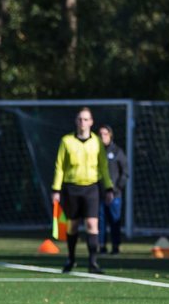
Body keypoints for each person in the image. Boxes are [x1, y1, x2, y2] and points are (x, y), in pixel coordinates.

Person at [51, 107, 114, 274]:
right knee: (72, 226)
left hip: (91, 188)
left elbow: (103, 167)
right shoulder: (66, 141)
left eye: (86, 120)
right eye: (80, 119)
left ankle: (93, 262)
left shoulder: (97, 143)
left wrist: (108, 187)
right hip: (71, 188)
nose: (83, 123)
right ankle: (71, 259)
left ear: (91, 122)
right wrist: (56, 189)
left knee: (92, 224)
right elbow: (60, 167)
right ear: (76, 121)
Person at [97, 124, 128, 254]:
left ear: (110, 135)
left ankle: (115, 246)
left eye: (105, 134)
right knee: (100, 222)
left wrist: (117, 189)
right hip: (99, 194)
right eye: (100, 134)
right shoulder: (95, 151)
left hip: (115, 195)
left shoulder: (117, 152)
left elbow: (125, 172)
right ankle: (101, 246)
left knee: (115, 221)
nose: (102, 137)